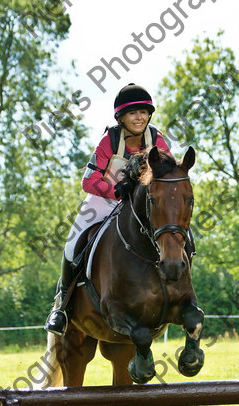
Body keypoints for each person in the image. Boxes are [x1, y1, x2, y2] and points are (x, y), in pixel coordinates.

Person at [44, 83, 171, 336]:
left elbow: (167, 178)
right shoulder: (109, 140)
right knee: (72, 242)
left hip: (143, 205)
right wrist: (116, 192)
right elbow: (88, 181)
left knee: (175, 232)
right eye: (133, 113)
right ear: (121, 117)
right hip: (106, 200)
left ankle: (179, 292)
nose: (140, 117)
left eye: (144, 112)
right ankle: (62, 307)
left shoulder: (157, 140)